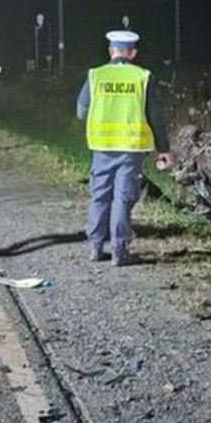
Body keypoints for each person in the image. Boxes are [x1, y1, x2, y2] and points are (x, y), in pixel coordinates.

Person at [76, 30, 173, 266]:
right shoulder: (142, 76)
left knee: (99, 196)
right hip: (131, 148)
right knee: (123, 198)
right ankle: (119, 252)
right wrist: (163, 149)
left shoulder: (95, 75)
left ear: (111, 51)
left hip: (102, 147)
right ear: (133, 53)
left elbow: (81, 112)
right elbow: (155, 116)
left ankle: (96, 247)